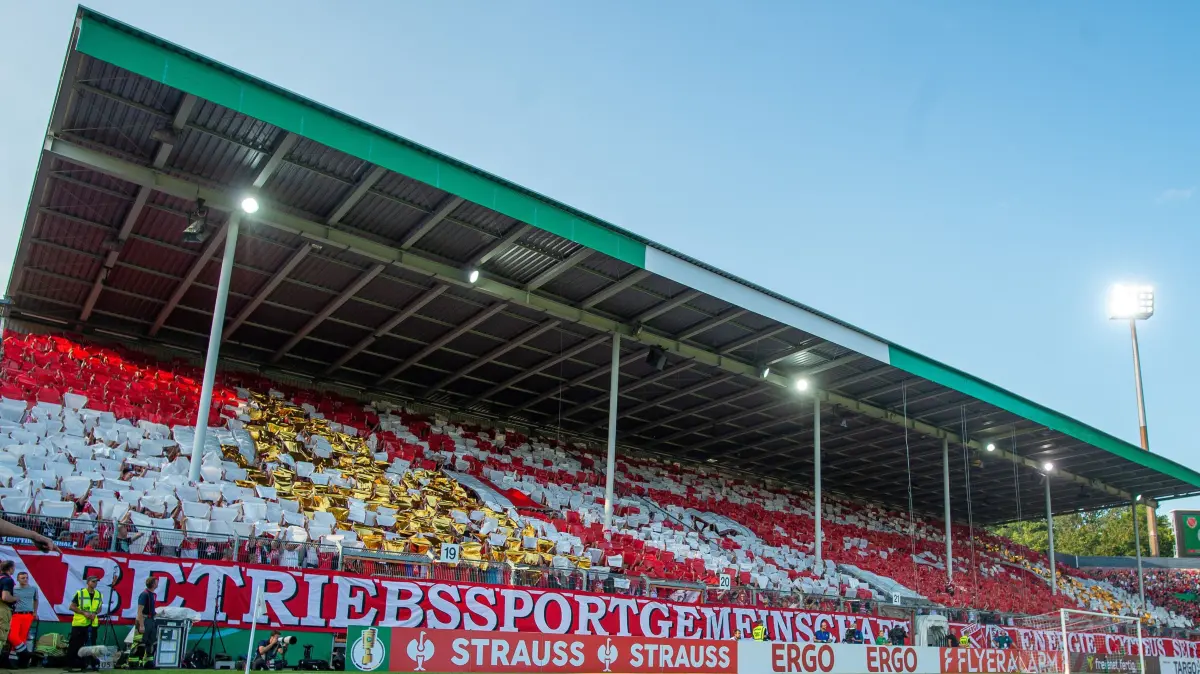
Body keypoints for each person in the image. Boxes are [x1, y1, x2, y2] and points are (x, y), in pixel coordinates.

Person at [68, 575, 103, 672]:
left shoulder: (99, 594)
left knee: (92, 645)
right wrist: (84, 613)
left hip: (92, 623)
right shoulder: (80, 593)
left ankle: (90, 664)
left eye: (96, 582)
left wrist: (95, 613)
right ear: (88, 582)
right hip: (79, 623)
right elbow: (72, 607)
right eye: (93, 581)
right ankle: (71, 664)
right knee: (75, 644)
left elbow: (99, 607)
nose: (95, 583)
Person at [9, 571, 37, 667]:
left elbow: (36, 600)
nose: (25, 579)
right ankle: (25, 654)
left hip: (28, 615)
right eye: (22, 578)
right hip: (16, 614)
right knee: (13, 636)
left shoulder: (33, 588)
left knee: (22, 637)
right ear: (18, 579)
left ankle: (15, 661)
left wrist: (35, 612)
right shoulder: (14, 588)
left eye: (26, 577)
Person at [137, 577, 159, 664]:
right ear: (153, 584)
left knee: (151, 642)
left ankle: (148, 662)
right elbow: (140, 611)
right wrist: (141, 625)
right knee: (141, 642)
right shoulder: (144, 594)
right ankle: (136, 662)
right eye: (156, 582)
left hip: (151, 620)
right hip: (145, 620)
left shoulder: (152, 595)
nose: (157, 584)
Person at [0, 561, 15, 658]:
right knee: (1, 635)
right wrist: (16, 598)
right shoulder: (8, 580)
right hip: (3, 609)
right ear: (10, 568)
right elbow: (5, 597)